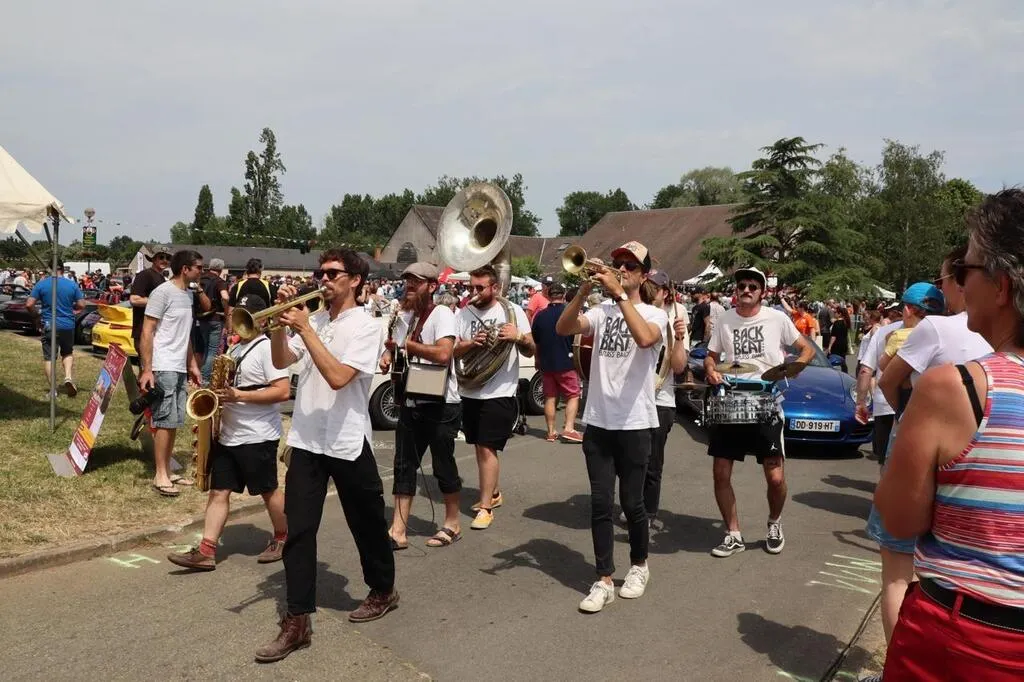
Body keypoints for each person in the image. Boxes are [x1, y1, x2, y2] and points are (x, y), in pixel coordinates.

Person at [875, 189, 1024, 680]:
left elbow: (900, 519)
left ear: (1001, 287)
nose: (959, 283)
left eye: (966, 268)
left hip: (970, 638)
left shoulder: (956, 388)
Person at [256, 249, 395, 664]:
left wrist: (305, 329)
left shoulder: (368, 326)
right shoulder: (315, 320)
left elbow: (337, 377)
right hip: (307, 440)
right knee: (298, 530)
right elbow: (281, 361)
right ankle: (297, 620)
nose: (324, 278)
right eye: (322, 272)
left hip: (348, 441)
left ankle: (383, 589)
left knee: (367, 524)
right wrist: (280, 327)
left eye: (333, 273)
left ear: (355, 279)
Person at [555, 240, 667, 613]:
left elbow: (645, 339)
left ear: (644, 275)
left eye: (630, 266)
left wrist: (619, 295)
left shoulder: (655, 314)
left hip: (635, 423)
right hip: (599, 421)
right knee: (601, 502)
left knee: (633, 504)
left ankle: (639, 565)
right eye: (619, 263)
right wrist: (583, 290)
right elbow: (563, 327)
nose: (622, 270)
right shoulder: (601, 311)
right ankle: (603, 578)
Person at [167, 295, 290, 570]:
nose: (236, 321)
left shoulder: (267, 349)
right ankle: (206, 551)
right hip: (229, 434)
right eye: (236, 314)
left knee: (268, 490)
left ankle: (284, 537)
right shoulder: (234, 349)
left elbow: (282, 391)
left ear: (261, 319)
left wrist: (239, 396)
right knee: (219, 491)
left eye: (244, 315)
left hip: (257, 435)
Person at [703, 266, 816, 558]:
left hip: (766, 400)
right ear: (736, 290)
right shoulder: (725, 320)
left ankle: (774, 523)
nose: (746, 290)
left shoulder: (777, 318)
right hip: (731, 400)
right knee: (720, 473)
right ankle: (733, 534)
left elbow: (807, 349)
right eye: (742, 285)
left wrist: (795, 368)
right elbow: (711, 357)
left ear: (762, 292)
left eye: (753, 286)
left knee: (775, 477)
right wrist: (712, 371)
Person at [379, 262, 464, 550]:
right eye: (407, 281)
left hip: (441, 404)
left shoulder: (442, 314)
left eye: (416, 281)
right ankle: (398, 530)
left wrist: (409, 346)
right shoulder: (407, 316)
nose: (410, 285)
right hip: (412, 398)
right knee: (403, 465)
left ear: (432, 285)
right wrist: (389, 355)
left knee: (443, 465)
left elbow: (443, 354)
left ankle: (452, 522)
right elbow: (397, 349)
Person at [453, 264, 535, 531]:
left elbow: (531, 350)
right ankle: (494, 493)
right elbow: (453, 350)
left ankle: (486, 507)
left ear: (495, 287)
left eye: (480, 287)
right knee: (479, 446)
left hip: (499, 391)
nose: (474, 292)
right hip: (470, 387)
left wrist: (518, 336)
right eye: (471, 287)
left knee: (488, 448)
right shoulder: (464, 312)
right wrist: (471, 343)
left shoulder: (513, 311)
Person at [138, 250, 205, 496]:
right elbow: (147, 331)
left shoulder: (187, 295)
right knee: (164, 420)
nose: (202, 271)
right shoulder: (162, 293)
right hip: (163, 364)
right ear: (185, 269)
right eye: (199, 267)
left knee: (174, 420)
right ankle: (160, 475)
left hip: (178, 366)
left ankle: (167, 469)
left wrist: (192, 365)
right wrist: (147, 369)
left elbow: (184, 335)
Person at [640, 270, 690, 527]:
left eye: (655, 288)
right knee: (631, 460)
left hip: (661, 400)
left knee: (652, 463)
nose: (650, 291)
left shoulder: (676, 316)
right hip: (634, 398)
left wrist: (679, 337)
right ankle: (633, 504)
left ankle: (648, 512)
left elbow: (679, 367)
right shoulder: (636, 312)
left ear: (666, 292)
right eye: (647, 286)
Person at [530, 282, 583, 443]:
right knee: (573, 395)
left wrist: (537, 359)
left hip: (546, 362)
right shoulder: (569, 313)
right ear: (564, 294)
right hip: (566, 361)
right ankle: (569, 428)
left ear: (548, 295)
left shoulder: (540, 316)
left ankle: (551, 432)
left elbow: (536, 341)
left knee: (550, 397)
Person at [25, 265, 85, 397]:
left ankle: (53, 390)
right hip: (68, 324)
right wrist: (73, 309)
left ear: (49, 269)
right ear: (63, 269)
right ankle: (68, 377)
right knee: (67, 352)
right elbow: (81, 304)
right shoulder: (72, 285)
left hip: (49, 323)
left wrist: (36, 316)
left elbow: (29, 304)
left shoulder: (42, 284)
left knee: (49, 357)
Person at [130, 246, 173, 367]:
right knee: (146, 368)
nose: (165, 260)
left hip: (156, 331)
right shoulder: (145, 275)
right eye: (161, 257)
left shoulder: (162, 278)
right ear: (153, 259)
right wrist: (159, 301)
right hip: (143, 331)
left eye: (167, 258)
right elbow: (134, 299)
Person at [197, 258, 230, 384]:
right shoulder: (219, 281)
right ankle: (205, 380)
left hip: (201, 318)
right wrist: (226, 311)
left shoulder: (200, 279)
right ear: (221, 269)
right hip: (215, 318)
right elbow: (225, 297)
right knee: (212, 350)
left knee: (205, 348)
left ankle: (201, 376)